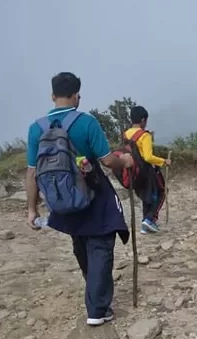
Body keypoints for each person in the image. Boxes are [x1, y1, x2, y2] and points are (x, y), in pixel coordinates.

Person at [25, 72, 134, 326]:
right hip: (91, 190)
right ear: (77, 96)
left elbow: (31, 172)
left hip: (60, 198)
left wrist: (32, 209)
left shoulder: (36, 128)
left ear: (53, 95)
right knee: (101, 242)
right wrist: (125, 161)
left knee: (80, 239)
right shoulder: (86, 123)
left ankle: (93, 290)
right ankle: (97, 309)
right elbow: (107, 160)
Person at [124, 106, 171, 234]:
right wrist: (163, 161)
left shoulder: (126, 134)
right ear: (143, 119)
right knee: (161, 192)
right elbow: (148, 156)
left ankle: (146, 224)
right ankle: (149, 219)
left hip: (133, 171)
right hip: (147, 171)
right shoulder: (144, 135)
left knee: (146, 196)